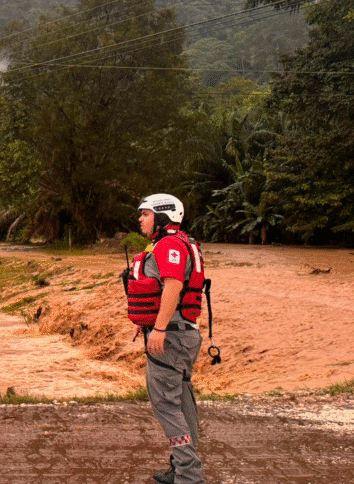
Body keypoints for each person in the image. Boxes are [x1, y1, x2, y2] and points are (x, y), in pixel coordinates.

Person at [124, 193, 206, 484]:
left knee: (165, 405)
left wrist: (158, 329)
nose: (140, 219)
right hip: (181, 333)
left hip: (170, 338)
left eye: (145, 214)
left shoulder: (169, 244)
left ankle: (188, 474)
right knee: (181, 402)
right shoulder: (180, 242)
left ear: (162, 215)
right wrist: (147, 324)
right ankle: (182, 469)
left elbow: (172, 285)